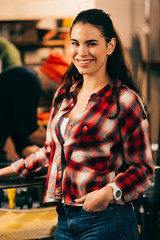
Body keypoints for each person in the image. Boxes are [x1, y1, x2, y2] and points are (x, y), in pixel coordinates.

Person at [0, 9, 154, 240]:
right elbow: (51, 154)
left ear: (109, 47)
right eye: (75, 43)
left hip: (108, 219)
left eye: (91, 43)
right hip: (65, 219)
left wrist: (109, 192)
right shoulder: (64, 95)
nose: (81, 52)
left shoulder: (125, 100)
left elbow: (143, 168)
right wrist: (4, 172)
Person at [0, 51, 70, 162]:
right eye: (62, 87)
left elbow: (18, 125)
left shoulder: (26, 77)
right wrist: (66, 144)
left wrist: (25, 146)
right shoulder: (28, 79)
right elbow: (28, 130)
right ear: (55, 77)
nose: (61, 93)